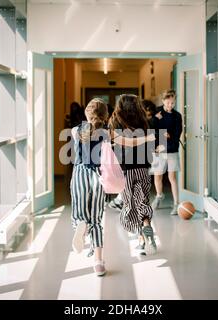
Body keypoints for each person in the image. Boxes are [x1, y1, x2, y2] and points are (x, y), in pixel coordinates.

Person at [71, 98, 155, 274]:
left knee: (80, 212)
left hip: (79, 175)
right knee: (97, 219)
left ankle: (81, 224)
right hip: (98, 177)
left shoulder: (75, 130)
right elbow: (131, 142)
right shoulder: (108, 132)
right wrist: (148, 136)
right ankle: (99, 263)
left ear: (87, 113)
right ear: (105, 115)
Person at [109, 94, 157, 255]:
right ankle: (145, 223)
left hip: (125, 169)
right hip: (143, 167)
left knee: (130, 205)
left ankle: (141, 239)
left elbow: (117, 143)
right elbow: (152, 145)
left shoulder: (115, 122)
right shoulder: (144, 122)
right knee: (142, 199)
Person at [108, 100, 157, 213]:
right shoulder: (119, 121)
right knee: (131, 184)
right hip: (128, 158)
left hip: (136, 158)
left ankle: (126, 205)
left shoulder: (141, 121)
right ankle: (129, 207)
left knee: (131, 184)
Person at [150, 90, 183, 216]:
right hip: (158, 149)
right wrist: (160, 137)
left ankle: (176, 204)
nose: (170, 105)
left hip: (172, 149)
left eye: (173, 103)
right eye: (168, 102)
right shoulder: (157, 113)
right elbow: (152, 129)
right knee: (157, 176)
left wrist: (166, 138)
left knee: (172, 178)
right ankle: (159, 196)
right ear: (163, 101)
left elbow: (176, 134)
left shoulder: (177, 116)